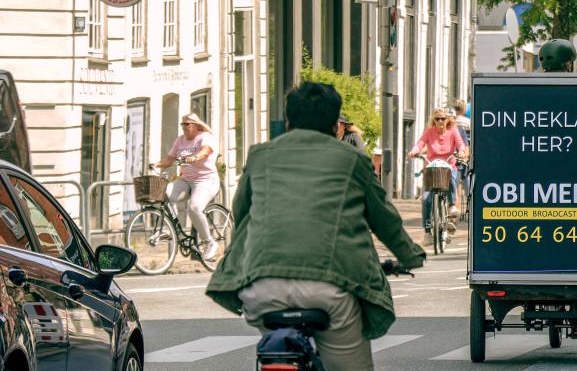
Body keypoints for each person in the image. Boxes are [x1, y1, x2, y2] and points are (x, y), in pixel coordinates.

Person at [205, 81, 425, 370]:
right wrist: (409, 256)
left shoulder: (260, 156)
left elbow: (241, 210)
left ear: (288, 121)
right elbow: (384, 219)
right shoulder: (353, 160)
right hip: (330, 289)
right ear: (336, 125)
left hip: (262, 288)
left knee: (275, 341)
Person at [151, 113, 221, 260]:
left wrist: (195, 157)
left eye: (187, 124)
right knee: (163, 194)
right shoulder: (180, 140)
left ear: (196, 125)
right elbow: (170, 159)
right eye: (182, 124)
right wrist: (156, 164)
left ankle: (210, 242)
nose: (184, 127)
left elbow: (206, 151)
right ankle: (169, 229)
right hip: (185, 180)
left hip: (206, 181)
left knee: (194, 208)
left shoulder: (204, 137)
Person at [408, 108, 465, 243]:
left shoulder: (453, 131)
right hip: (432, 168)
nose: (440, 121)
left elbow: (460, 144)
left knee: (451, 176)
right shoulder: (429, 132)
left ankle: (451, 205)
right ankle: (428, 232)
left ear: (447, 120)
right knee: (426, 199)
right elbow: (420, 143)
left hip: (448, 165)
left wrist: (461, 152)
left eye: (442, 119)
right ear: (433, 120)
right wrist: (414, 151)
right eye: (437, 119)